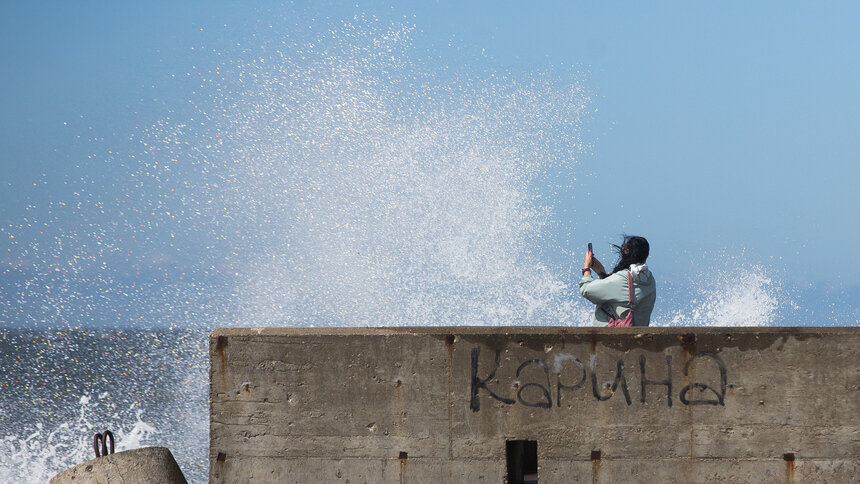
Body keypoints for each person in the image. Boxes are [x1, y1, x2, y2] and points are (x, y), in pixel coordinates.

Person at [579, 235, 656, 326]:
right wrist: (601, 273)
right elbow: (620, 294)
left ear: (626, 252)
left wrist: (586, 269)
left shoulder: (623, 278)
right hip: (639, 337)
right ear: (646, 255)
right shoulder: (649, 280)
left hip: (611, 337)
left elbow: (586, 290)